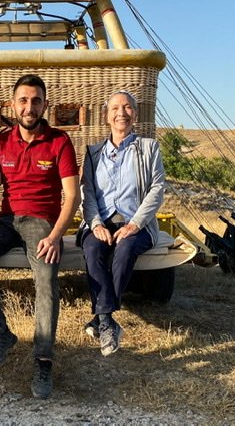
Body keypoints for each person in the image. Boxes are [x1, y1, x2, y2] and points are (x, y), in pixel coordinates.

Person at [0, 74, 80, 400]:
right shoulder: (1, 142)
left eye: (36, 101)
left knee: (45, 279)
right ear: (13, 104)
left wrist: (57, 235)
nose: (29, 107)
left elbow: (72, 196)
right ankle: (0, 334)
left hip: (41, 224)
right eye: (23, 100)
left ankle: (43, 360)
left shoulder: (59, 141)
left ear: (45, 104)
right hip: (6, 221)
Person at [78, 91, 165, 356]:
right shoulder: (93, 153)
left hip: (135, 223)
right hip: (101, 221)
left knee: (125, 249)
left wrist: (135, 224)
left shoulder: (149, 148)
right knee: (92, 250)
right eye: (115, 108)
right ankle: (108, 322)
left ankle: (101, 319)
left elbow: (157, 188)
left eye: (127, 107)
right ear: (107, 116)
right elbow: (87, 192)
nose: (121, 113)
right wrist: (95, 224)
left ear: (135, 115)